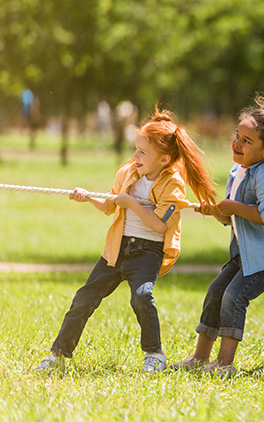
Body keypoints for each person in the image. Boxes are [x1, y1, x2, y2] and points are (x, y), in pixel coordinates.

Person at [36, 107, 216, 373]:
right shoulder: (128, 173)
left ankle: (154, 354)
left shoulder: (173, 186)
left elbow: (158, 224)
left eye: (142, 152)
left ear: (165, 159)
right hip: (117, 249)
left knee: (142, 297)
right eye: (136, 149)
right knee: (84, 298)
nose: (135, 156)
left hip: (147, 252)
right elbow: (110, 206)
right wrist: (88, 197)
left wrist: (131, 202)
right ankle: (58, 354)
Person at [170, 95, 264, 377]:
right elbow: (229, 218)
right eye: (237, 136)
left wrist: (234, 207)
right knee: (215, 292)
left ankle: (224, 364)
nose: (237, 143)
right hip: (246, 251)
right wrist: (215, 211)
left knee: (234, 296)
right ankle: (200, 358)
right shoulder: (237, 171)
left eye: (247, 141)